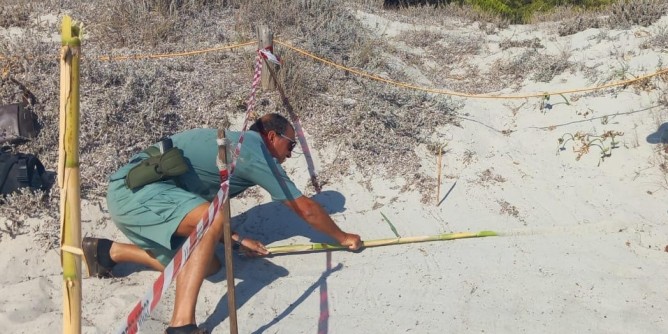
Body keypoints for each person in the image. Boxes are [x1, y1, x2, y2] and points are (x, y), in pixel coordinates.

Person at [83, 113, 362, 334]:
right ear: (272, 136)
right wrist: (342, 237)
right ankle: (181, 325)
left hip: (141, 197)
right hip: (136, 192)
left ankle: (108, 252)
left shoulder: (239, 145)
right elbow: (306, 209)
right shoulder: (252, 148)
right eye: (291, 144)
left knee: (212, 266)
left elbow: (198, 213)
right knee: (214, 217)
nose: (290, 154)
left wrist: (238, 241)